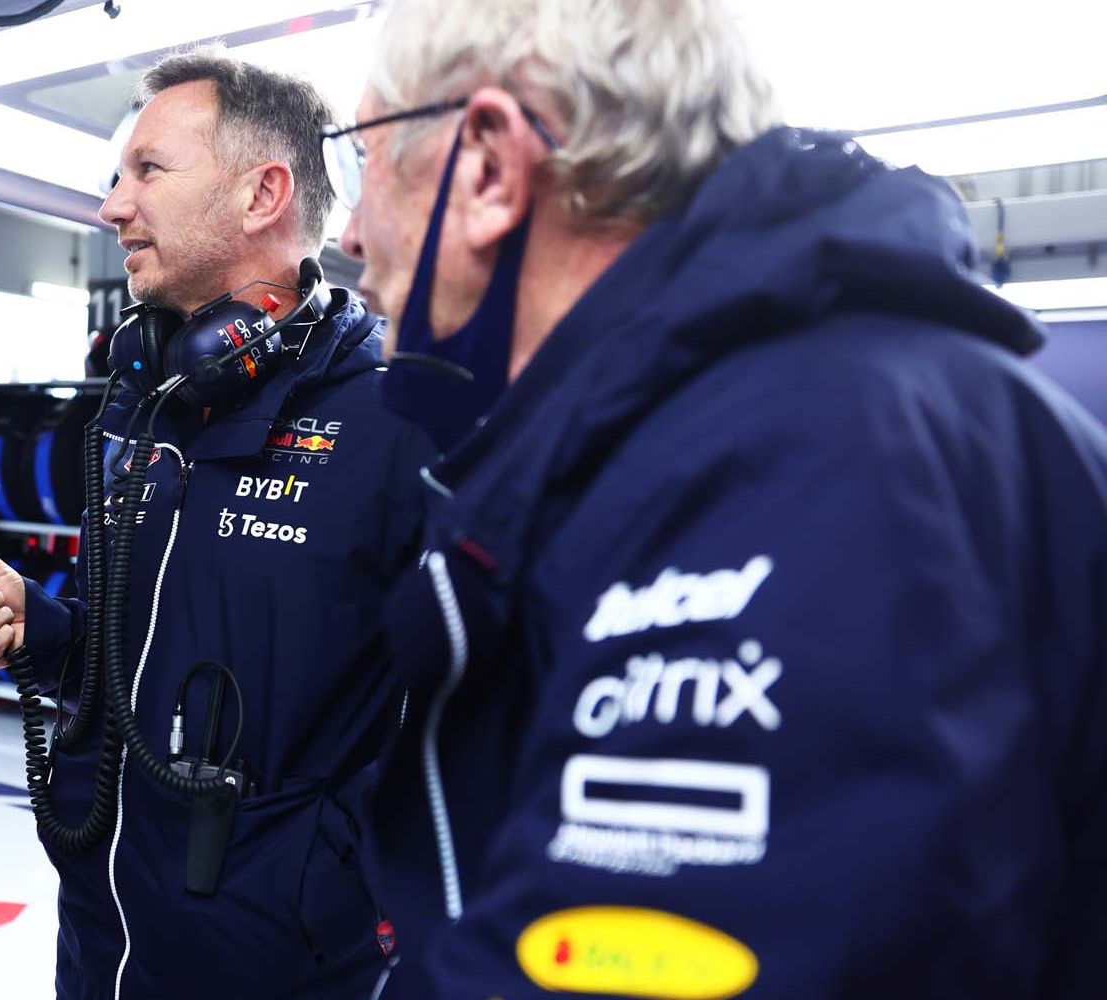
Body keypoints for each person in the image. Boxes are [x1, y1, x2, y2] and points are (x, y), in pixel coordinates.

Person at [332, 0, 1107, 997]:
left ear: (487, 166)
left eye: (362, 160)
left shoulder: (799, 464)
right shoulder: (700, 431)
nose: (349, 232)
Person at [0, 50, 434, 1000]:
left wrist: (325, 878)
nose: (112, 207)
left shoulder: (401, 415)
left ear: (263, 194)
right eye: (117, 178)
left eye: (147, 172)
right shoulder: (148, 402)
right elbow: (129, 665)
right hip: (103, 940)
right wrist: (37, 627)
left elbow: (487, 721)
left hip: (287, 967)